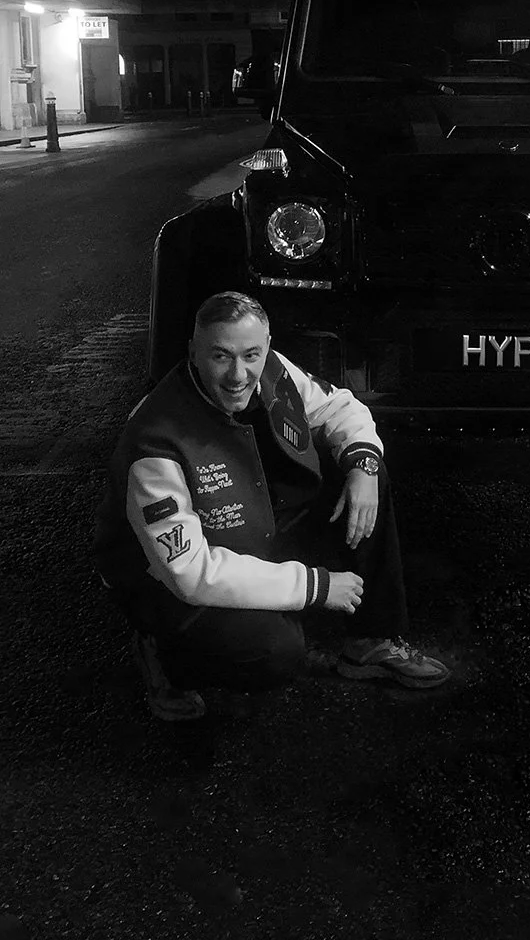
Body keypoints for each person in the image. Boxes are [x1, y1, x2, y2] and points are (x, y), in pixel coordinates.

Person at [94, 291, 449, 722]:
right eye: (220, 356)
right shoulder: (155, 438)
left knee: (362, 471)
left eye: (251, 355)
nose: (238, 374)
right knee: (274, 652)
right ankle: (165, 657)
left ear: (266, 347)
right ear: (193, 352)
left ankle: (370, 641)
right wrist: (314, 586)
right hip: (165, 578)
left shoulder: (274, 370)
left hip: (249, 522)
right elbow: (189, 572)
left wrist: (365, 467)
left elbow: (339, 406)